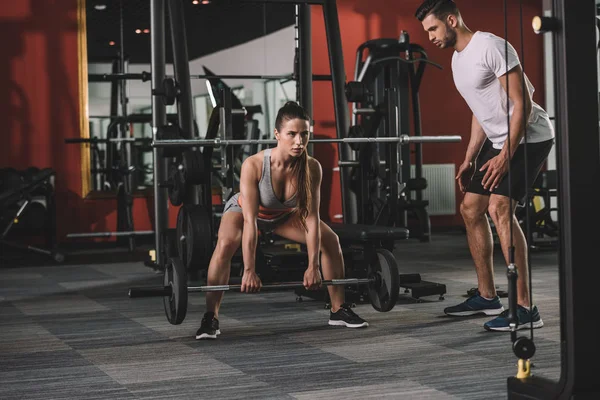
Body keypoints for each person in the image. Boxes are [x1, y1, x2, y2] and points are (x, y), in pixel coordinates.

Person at [415, 0, 555, 332]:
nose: (430, 36)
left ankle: (525, 307)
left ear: (451, 20)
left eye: (433, 28)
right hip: (498, 140)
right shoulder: (457, 59)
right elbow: (479, 111)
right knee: (470, 208)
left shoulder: (491, 47)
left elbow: (520, 103)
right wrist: (469, 158)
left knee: (500, 207)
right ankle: (487, 296)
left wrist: (506, 155)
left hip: (529, 137)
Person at [195, 101, 369, 340]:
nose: (299, 141)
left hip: (283, 216)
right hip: (246, 211)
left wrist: (313, 266)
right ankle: (210, 317)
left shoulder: (312, 168)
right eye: (292, 134)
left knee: (331, 239)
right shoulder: (254, 165)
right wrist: (249, 271)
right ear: (277, 134)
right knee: (225, 244)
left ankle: (338, 310)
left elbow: (311, 218)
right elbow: (250, 222)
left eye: (304, 134)